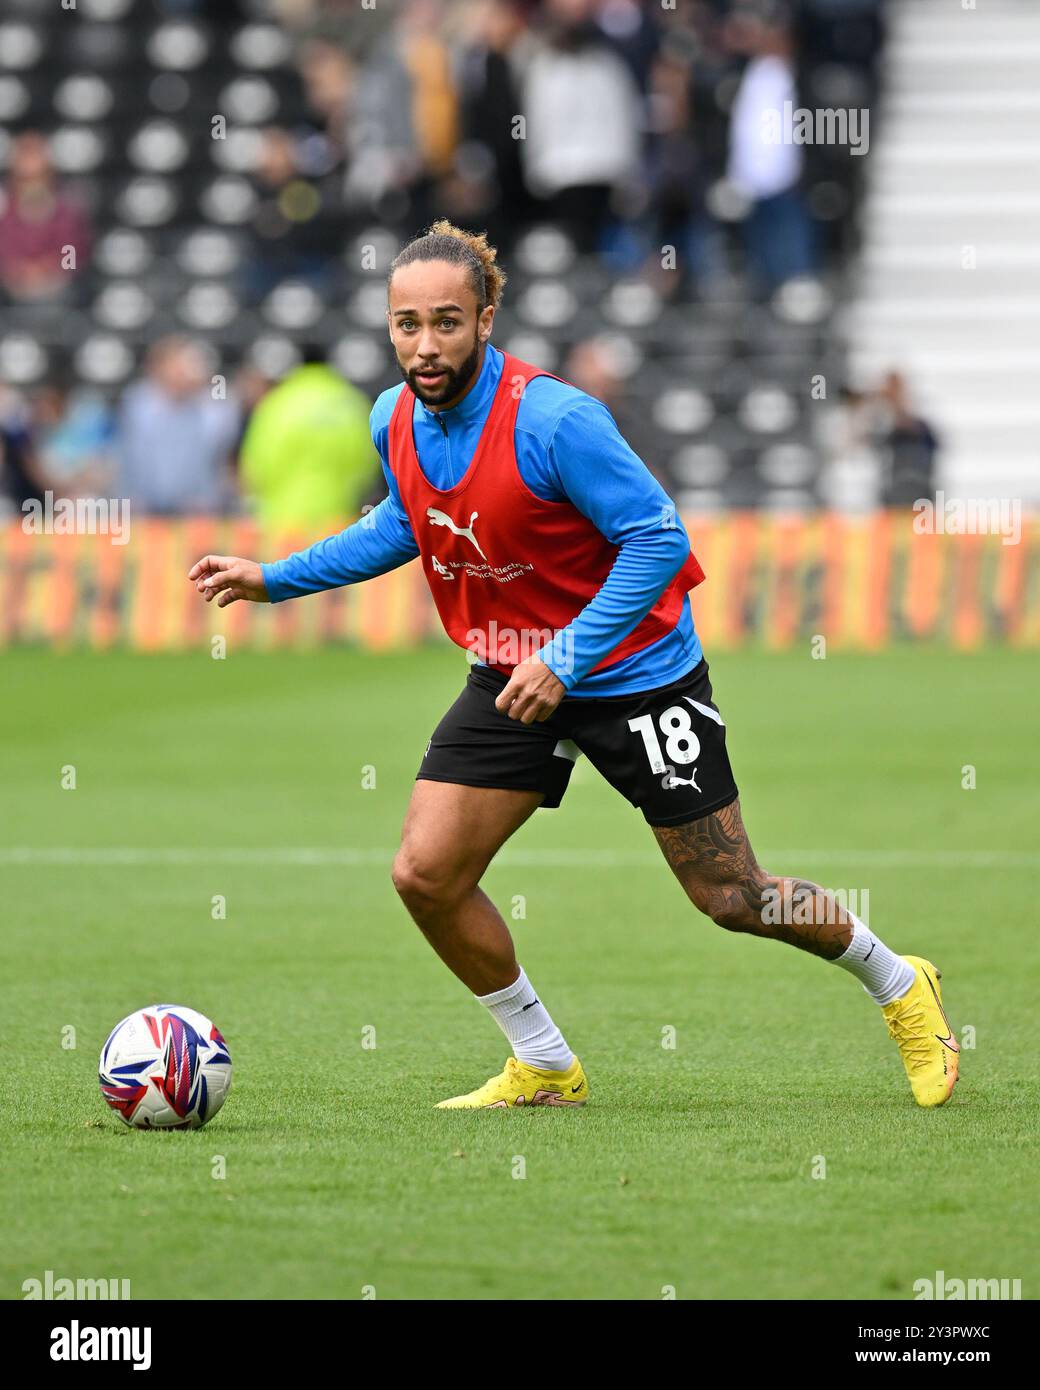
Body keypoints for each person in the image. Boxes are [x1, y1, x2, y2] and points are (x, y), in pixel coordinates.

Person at [188, 221, 958, 1111]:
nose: (425, 344)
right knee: (425, 875)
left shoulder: (554, 419)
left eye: (447, 321)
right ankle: (547, 1064)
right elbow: (406, 523)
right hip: (514, 675)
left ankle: (901, 984)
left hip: (637, 675)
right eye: (407, 324)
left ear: (486, 319)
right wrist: (274, 579)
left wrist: (568, 655)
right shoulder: (393, 417)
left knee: (733, 896)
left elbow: (658, 538)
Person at [238, 351, 379, 531]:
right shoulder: (352, 402)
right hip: (338, 523)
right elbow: (368, 463)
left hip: (283, 526)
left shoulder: (278, 403)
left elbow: (255, 466)